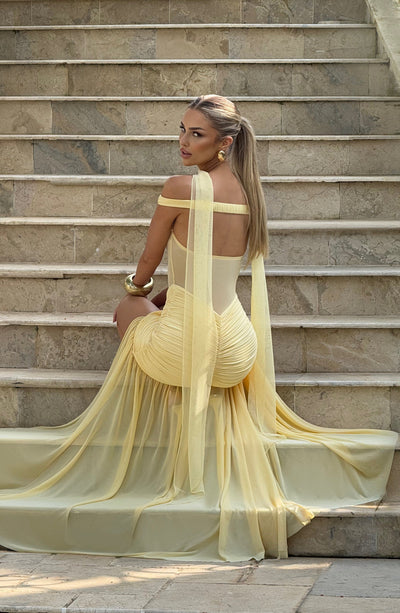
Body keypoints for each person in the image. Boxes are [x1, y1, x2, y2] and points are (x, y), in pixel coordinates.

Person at [0, 95, 397, 562]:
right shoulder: (250, 195)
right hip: (238, 349)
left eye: (197, 134)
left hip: (188, 347)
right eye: (182, 130)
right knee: (168, 309)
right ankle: (186, 390)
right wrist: (170, 295)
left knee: (129, 308)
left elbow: (146, 266)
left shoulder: (180, 187)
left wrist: (138, 292)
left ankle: (172, 409)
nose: (184, 142)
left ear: (224, 143)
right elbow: (210, 271)